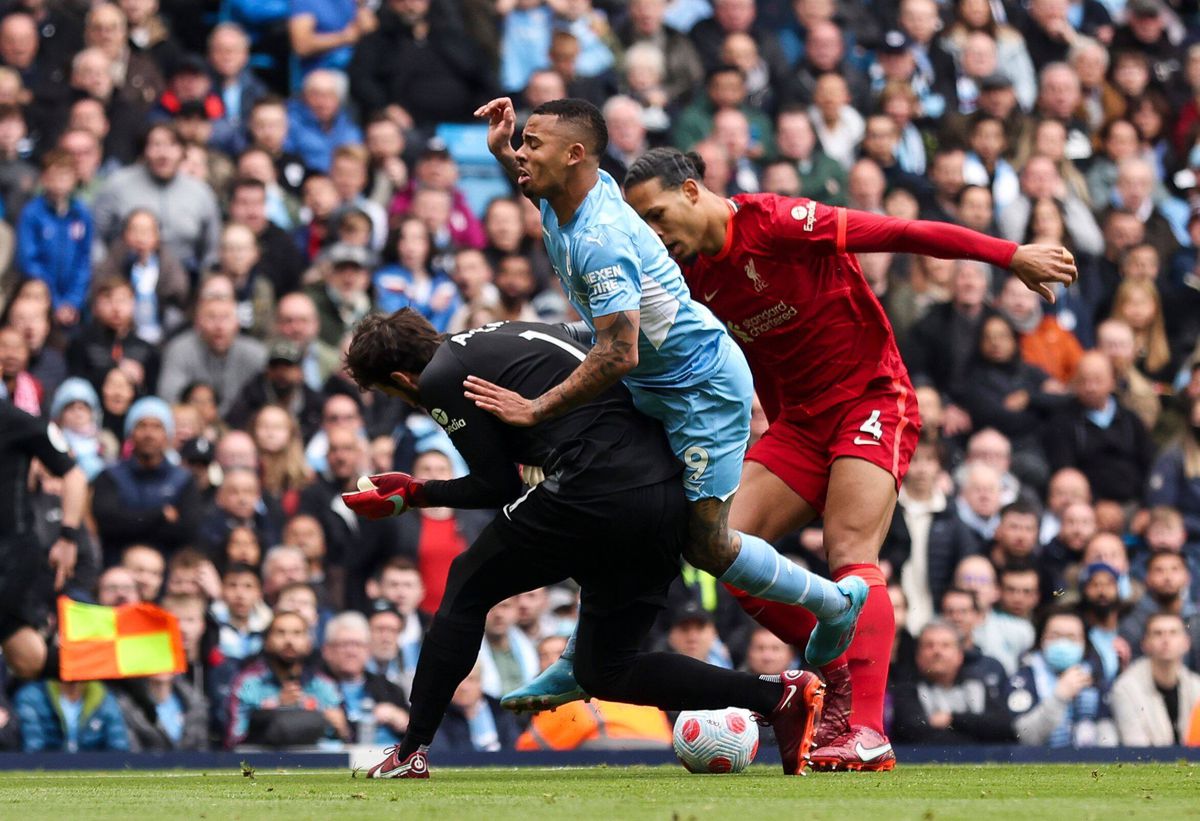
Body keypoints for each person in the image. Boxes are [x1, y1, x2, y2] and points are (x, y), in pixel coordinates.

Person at [614, 145, 1074, 769]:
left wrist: (1008, 254)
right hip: (801, 426)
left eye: (657, 215)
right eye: (640, 224)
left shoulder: (777, 222)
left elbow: (901, 232)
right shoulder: (686, 278)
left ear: (693, 191)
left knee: (850, 554)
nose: (653, 233)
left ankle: (865, 730)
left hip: (869, 398)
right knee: (717, 544)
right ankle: (838, 668)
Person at [473, 97, 867, 722]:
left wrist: (535, 410)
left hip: (699, 389)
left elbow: (619, 353)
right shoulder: (570, 194)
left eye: (532, 144)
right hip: (652, 380)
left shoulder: (601, 237)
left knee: (706, 545)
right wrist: (505, 155)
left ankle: (835, 604)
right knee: (607, 501)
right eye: (520, 144)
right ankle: (583, 657)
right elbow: (540, 193)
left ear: (575, 155)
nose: (522, 154)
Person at [341, 310, 826, 778]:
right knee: (605, 669)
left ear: (403, 379)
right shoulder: (508, 334)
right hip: (663, 495)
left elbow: (496, 487)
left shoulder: (441, 376)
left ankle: (411, 751)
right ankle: (776, 696)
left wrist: (414, 493)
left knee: (468, 582)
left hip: (594, 488)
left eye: (395, 394)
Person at [0, 396, 85, 680]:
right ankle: (113, 669)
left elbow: (74, 475)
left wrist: (68, 537)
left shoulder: (18, 421)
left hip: (9, 557)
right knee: (28, 658)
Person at [1008, 610, 1118, 747]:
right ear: (1041, 640)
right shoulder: (1024, 677)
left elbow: (1109, 735)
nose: (1063, 643)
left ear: (1084, 644)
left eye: (1072, 638)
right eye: (1055, 636)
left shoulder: (1094, 677)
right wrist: (1059, 697)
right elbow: (1024, 737)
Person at [1110, 612, 1200, 746]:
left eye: (1173, 633)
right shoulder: (1125, 688)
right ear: (1144, 644)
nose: (1166, 640)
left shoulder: (1196, 685)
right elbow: (1136, 747)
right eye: (1158, 633)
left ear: (1186, 643)